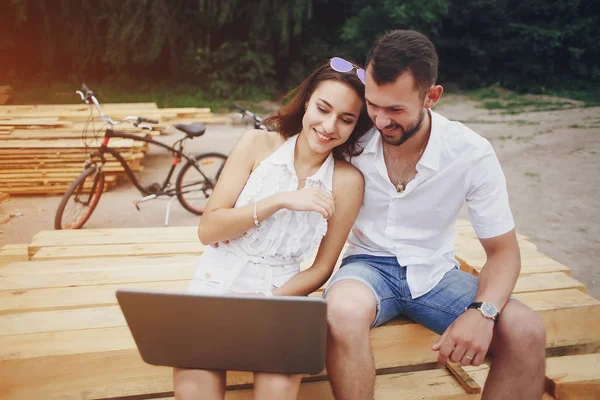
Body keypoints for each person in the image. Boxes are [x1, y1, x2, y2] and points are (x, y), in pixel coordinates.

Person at [324, 30, 546, 399]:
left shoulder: (470, 153)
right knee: (341, 312)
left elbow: (504, 252)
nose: (379, 120)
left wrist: (483, 312)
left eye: (395, 110)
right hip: (366, 267)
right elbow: (295, 141)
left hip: (435, 274)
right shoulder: (351, 136)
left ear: (432, 97)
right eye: (373, 104)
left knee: (526, 331)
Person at [173, 57, 372, 400]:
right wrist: (280, 200)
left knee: (277, 391)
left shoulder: (347, 181)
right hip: (216, 283)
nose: (329, 126)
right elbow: (208, 230)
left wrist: (267, 303)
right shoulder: (256, 144)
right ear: (307, 100)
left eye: (346, 119)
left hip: (282, 296)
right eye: (323, 109)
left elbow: (323, 268)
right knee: (195, 388)